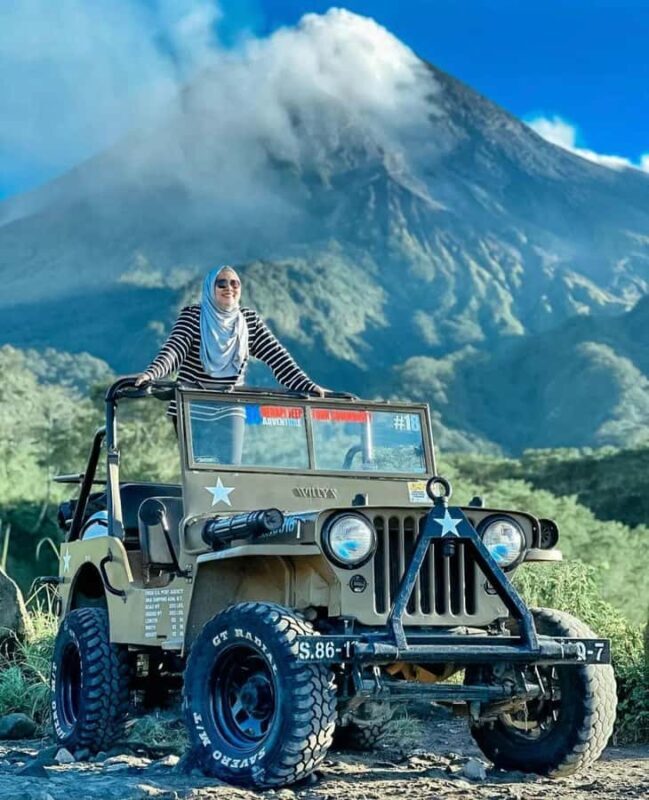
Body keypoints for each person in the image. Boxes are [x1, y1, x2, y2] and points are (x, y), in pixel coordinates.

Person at [135, 265, 327, 463]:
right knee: (197, 470)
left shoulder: (249, 321)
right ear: (210, 288)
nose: (229, 288)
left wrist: (306, 385)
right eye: (221, 283)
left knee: (231, 471)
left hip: (230, 404)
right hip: (191, 405)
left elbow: (278, 357)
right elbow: (173, 351)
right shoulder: (193, 317)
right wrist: (152, 374)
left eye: (235, 283)